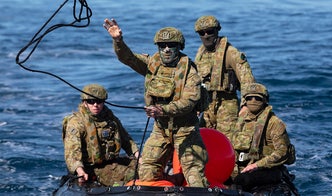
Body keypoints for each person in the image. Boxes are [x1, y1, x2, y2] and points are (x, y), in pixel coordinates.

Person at [103, 18, 209, 187]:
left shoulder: (189, 70)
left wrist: (162, 110)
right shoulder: (153, 64)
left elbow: (189, 101)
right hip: (161, 129)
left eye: (171, 45)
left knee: (195, 176)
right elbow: (128, 58)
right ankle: (172, 183)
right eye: (162, 45)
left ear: (179, 47)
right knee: (146, 174)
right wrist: (118, 41)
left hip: (185, 129)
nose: (166, 50)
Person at [193, 15, 256, 142]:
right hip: (206, 104)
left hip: (227, 104)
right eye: (202, 33)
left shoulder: (231, 53)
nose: (206, 35)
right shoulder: (201, 53)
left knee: (228, 141)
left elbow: (247, 81)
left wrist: (245, 106)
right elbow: (195, 81)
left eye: (210, 31)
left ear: (217, 31)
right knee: (201, 140)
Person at [63, 84, 140, 186]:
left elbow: (126, 140)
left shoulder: (109, 117)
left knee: (148, 167)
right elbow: (72, 152)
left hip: (111, 162)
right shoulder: (77, 123)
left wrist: (139, 157)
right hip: (92, 168)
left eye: (99, 101)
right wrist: (80, 171)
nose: (95, 105)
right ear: (84, 103)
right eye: (91, 101)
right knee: (132, 175)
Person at [231, 82, 297, 193]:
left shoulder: (274, 123)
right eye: (249, 98)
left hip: (268, 167)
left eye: (257, 98)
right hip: (245, 164)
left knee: (242, 181)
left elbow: (282, 152)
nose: (253, 101)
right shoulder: (242, 119)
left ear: (265, 101)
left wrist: (257, 165)